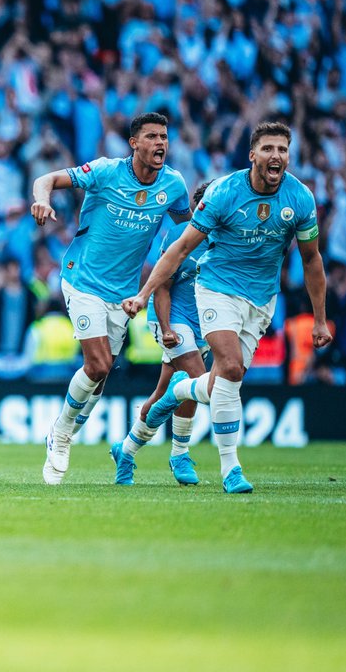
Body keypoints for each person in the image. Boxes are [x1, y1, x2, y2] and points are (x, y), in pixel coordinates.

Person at [123, 122, 333, 494]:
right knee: (231, 368)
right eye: (268, 149)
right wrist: (144, 295)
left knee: (224, 381)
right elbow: (181, 249)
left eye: (282, 150)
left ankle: (180, 392)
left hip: (261, 300)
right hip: (216, 289)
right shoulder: (224, 193)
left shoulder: (300, 198)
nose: (276, 156)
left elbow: (312, 260)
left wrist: (319, 319)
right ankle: (230, 469)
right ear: (253, 155)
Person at [30, 112, 190, 485]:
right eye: (151, 137)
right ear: (134, 143)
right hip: (81, 279)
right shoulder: (104, 171)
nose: (160, 144)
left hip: (124, 294)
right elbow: (46, 179)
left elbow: (186, 235)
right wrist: (41, 200)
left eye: (164, 137)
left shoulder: (175, 185)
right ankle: (61, 431)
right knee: (98, 364)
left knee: (98, 383)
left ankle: (67, 427)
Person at [109, 182, 212, 486]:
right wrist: (167, 329)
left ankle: (125, 451)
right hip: (171, 317)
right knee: (196, 379)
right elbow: (163, 286)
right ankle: (180, 453)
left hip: (203, 325)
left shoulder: (228, 239)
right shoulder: (182, 236)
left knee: (162, 396)